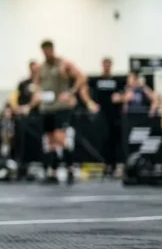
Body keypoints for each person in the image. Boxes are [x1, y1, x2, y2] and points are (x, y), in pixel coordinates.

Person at [30, 40, 96, 184]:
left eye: (49, 50)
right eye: (44, 50)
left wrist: (71, 92)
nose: (47, 53)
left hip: (61, 108)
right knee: (51, 141)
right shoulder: (41, 68)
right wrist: (36, 97)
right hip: (46, 108)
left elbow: (82, 77)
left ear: (52, 49)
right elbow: (36, 85)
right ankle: (53, 172)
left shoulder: (64, 64)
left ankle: (70, 168)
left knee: (61, 138)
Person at [89, 57, 125, 178]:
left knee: (115, 140)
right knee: (104, 139)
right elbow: (85, 88)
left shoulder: (117, 81)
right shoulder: (96, 81)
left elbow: (125, 93)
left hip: (115, 115)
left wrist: (120, 97)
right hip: (102, 115)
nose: (106, 67)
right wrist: (91, 103)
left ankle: (116, 165)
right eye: (104, 64)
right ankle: (107, 164)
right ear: (102, 65)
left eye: (108, 64)